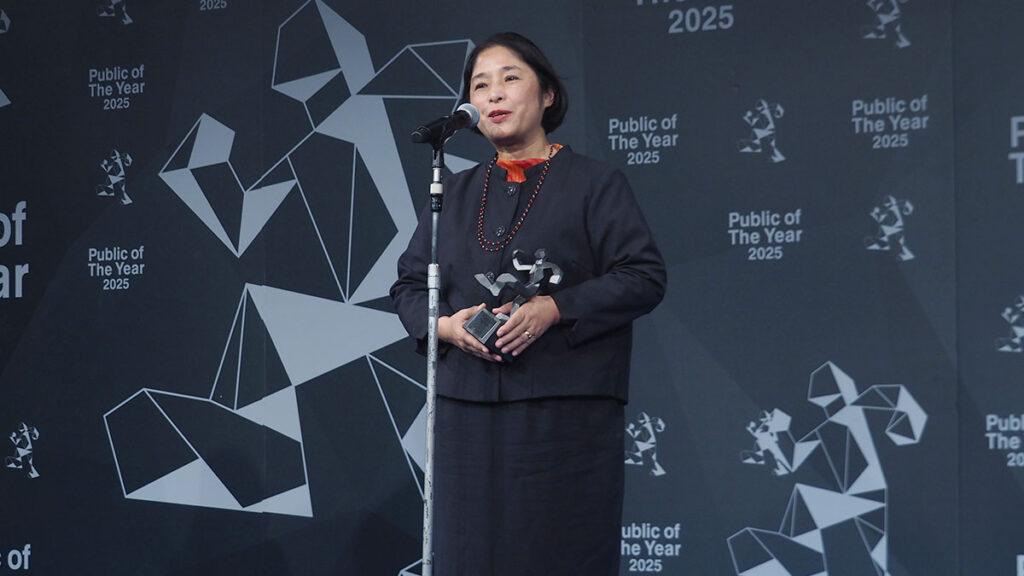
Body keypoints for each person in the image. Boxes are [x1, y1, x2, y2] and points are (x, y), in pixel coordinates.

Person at [390, 32, 666, 576]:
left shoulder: (595, 184)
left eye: (510, 78)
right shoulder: (454, 191)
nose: (493, 93)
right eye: (479, 85)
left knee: (558, 554)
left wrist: (554, 309)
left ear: (547, 95)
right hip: (466, 417)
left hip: (564, 415)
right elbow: (408, 286)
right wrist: (444, 327)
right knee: (470, 557)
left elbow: (643, 276)